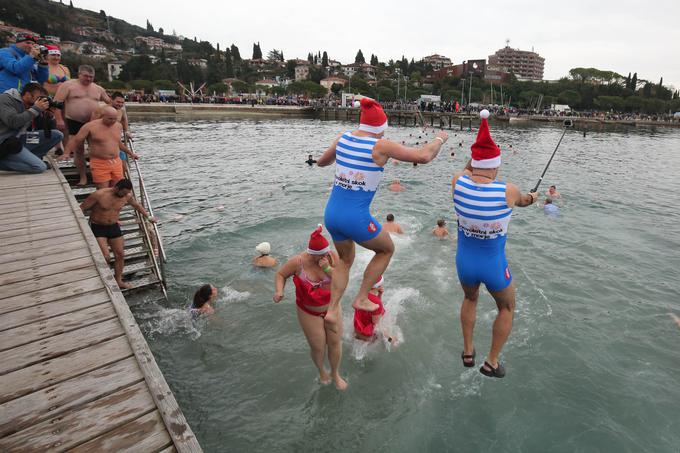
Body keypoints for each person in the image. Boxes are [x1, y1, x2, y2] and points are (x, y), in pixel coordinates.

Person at [317, 97, 447, 331]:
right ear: (380, 128)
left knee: (345, 262)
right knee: (386, 249)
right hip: (355, 218)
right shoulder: (380, 146)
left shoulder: (343, 138)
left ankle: (333, 308)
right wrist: (439, 138)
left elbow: (321, 163)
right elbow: (423, 156)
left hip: (332, 215)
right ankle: (362, 297)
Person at [451, 110, 538, 379]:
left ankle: (468, 352)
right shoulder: (507, 191)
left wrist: (478, 149)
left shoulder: (458, 182)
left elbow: (468, 168)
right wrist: (534, 197)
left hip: (465, 263)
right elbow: (523, 201)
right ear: (496, 164)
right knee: (507, 307)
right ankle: (491, 361)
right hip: (493, 265)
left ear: (475, 161)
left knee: (469, 298)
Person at [273, 225, 346, 390]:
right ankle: (322, 371)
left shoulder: (332, 256)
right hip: (309, 312)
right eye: (316, 256)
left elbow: (342, 279)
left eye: (324, 255)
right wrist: (279, 291)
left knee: (334, 342)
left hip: (332, 307)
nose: (320, 258)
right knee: (318, 346)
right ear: (309, 253)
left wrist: (327, 267)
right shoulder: (297, 262)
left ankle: (335, 373)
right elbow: (280, 274)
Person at [79, 178, 156, 289]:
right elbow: (81, 208)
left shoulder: (127, 196)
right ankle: (105, 279)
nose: (125, 195)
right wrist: (81, 226)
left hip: (113, 226)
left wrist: (148, 217)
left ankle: (118, 281)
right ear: (116, 188)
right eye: (123, 193)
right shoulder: (99, 195)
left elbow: (137, 206)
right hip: (98, 227)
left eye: (127, 193)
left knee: (120, 255)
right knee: (105, 257)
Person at [53, 65, 111, 185]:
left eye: (91, 77)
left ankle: (100, 174)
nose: (88, 79)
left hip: (93, 122)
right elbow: (57, 104)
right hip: (75, 121)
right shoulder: (68, 85)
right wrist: (59, 119)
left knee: (96, 148)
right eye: (86, 76)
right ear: (79, 74)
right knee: (78, 150)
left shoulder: (98, 88)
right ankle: (83, 177)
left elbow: (110, 103)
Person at [60, 106, 138, 188]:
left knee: (116, 189)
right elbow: (76, 140)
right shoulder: (90, 126)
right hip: (99, 163)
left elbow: (118, 143)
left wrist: (130, 153)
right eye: (110, 119)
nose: (113, 121)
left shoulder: (118, 126)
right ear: (103, 116)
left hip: (116, 161)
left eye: (115, 119)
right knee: (103, 192)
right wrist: (66, 153)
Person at [0, 82, 63, 173]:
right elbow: (13, 122)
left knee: (57, 135)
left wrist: (48, 116)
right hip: (5, 144)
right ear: (27, 95)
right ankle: (4, 163)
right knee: (39, 167)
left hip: (18, 139)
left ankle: (33, 158)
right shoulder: (5, 99)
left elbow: (42, 130)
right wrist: (36, 109)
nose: (41, 101)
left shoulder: (30, 105)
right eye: (39, 98)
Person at [353, 275, 393, 343]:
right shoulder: (377, 302)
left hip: (358, 327)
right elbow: (377, 326)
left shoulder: (361, 294)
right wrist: (391, 339)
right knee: (392, 339)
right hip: (367, 335)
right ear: (379, 286)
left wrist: (379, 296)